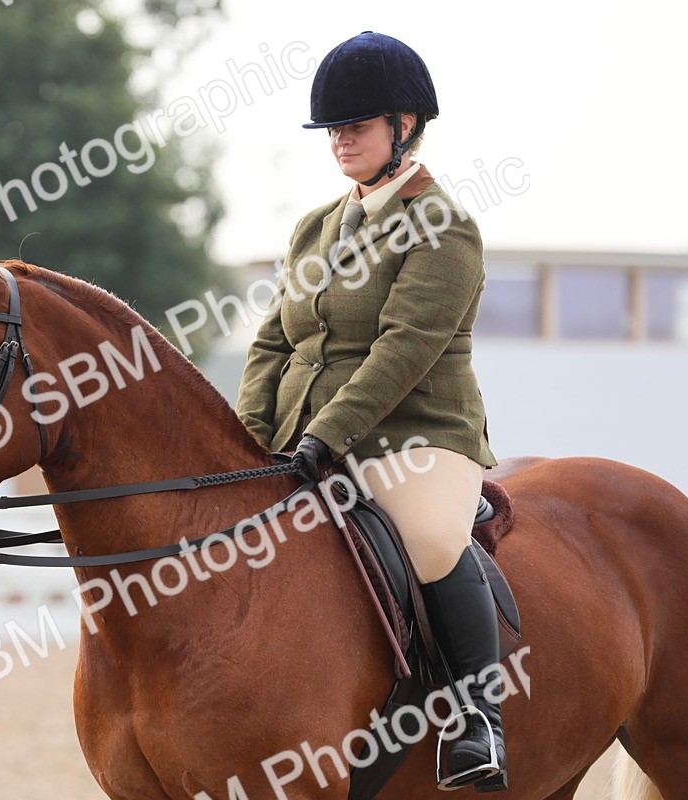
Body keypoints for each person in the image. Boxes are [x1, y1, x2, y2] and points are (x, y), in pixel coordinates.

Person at [235, 31, 507, 791]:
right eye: (334, 129)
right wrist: (248, 441)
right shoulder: (316, 228)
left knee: (425, 536)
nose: (340, 141)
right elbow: (273, 344)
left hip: (416, 437)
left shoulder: (444, 226)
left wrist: (324, 437)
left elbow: (401, 352)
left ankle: (478, 718)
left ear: (406, 127)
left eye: (356, 126)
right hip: (303, 440)